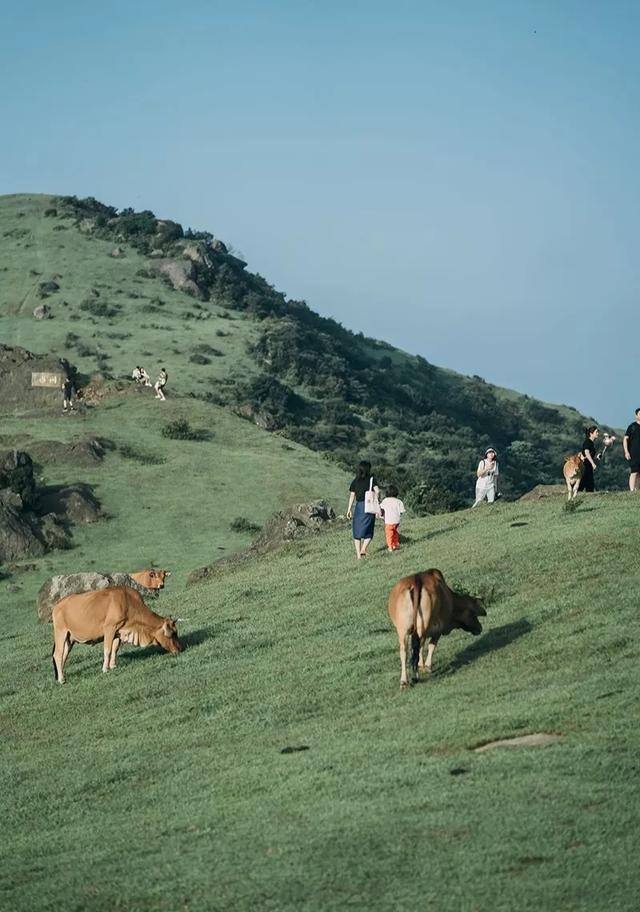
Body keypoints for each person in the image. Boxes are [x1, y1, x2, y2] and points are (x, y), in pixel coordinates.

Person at [346, 460, 380, 559]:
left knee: (357, 532)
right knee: (368, 530)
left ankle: (358, 556)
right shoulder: (371, 480)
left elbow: (352, 496)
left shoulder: (355, 481)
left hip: (359, 507)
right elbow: (377, 491)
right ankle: (363, 549)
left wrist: (349, 510)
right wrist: (377, 500)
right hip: (369, 506)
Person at [379, 485, 405, 552]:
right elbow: (401, 511)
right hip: (397, 521)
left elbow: (381, 509)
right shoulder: (399, 501)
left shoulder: (385, 500)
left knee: (389, 533)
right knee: (395, 531)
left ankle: (390, 546)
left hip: (389, 521)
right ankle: (395, 544)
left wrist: (381, 515)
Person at [623, 408, 640, 492]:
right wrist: (626, 451)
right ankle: (632, 490)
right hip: (633, 453)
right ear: (636, 415)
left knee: (639, 473)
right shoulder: (632, 426)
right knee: (634, 472)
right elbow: (625, 439)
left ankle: (637, 490)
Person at [578, 426, 599, 492]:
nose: (598, 433)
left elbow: (589, 455)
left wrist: (596, 457)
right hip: (585, 466)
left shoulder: (591, 443)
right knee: (584, 483)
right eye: (596, 432)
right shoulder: (588, 442)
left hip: (588, 466)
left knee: (589, 484)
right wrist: (593, 464)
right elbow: (586, 452)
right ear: (591, 433)